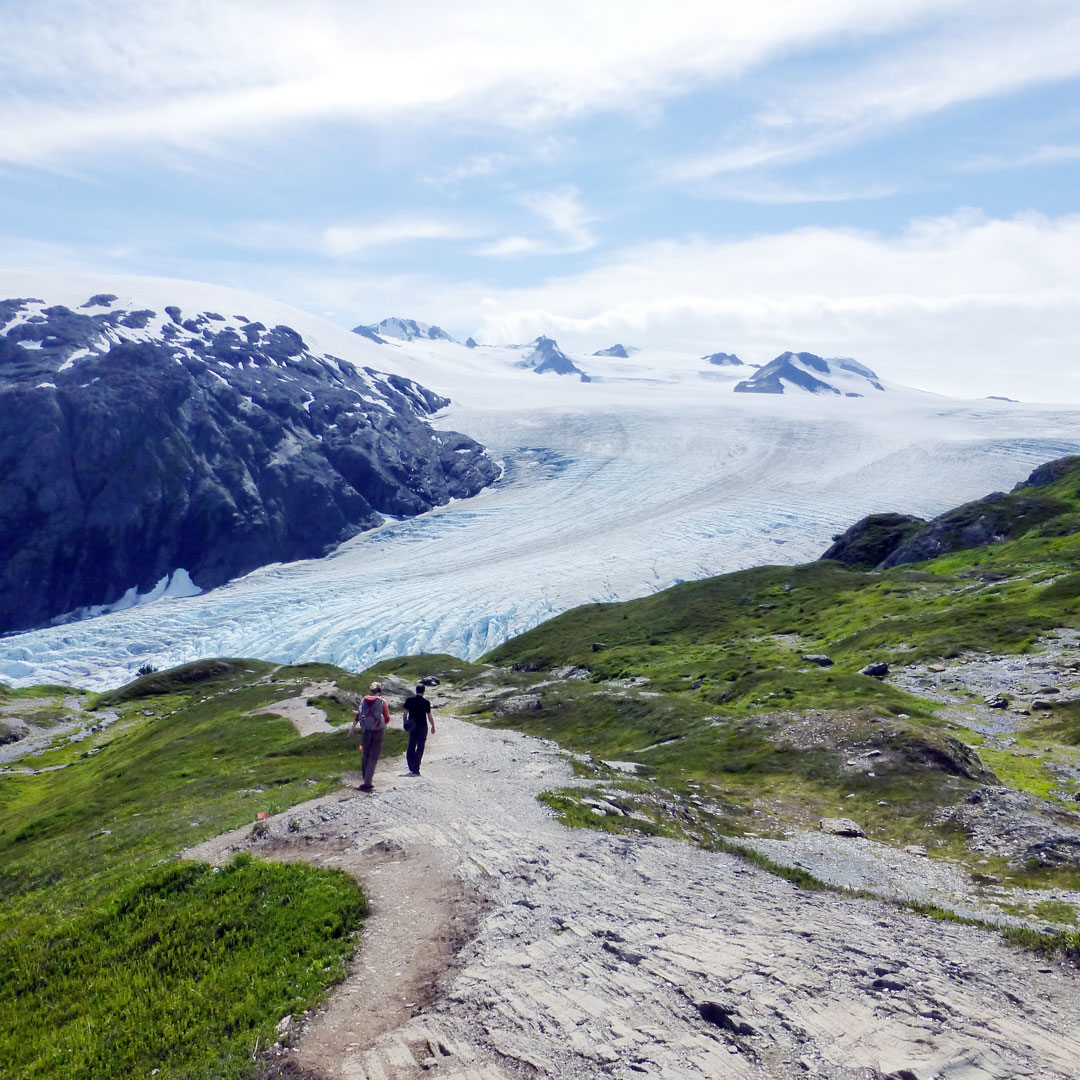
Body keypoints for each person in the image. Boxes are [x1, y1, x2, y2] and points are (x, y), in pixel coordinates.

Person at [350, 682, 391, 791]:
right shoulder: (382, 702)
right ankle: (368, 782)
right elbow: (387, 718)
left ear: (371, 691)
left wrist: (352, 729)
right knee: (374, 756)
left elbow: (358, 715)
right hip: (378, 730)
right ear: (380, 691)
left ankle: (365, 777)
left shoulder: (364, 701)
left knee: (366, 754)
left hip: (366, 730)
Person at [401, 683, 436, 776]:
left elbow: (405, 714)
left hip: (412, 726)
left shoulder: (409, 700)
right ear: (423, 691)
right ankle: (416, 767)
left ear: (416, 690)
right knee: (420, 747)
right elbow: (429, 716)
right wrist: (433, 726)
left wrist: (405, 723)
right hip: (423, 726)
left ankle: (411, 765)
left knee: (411, 745)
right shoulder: (426, 702)